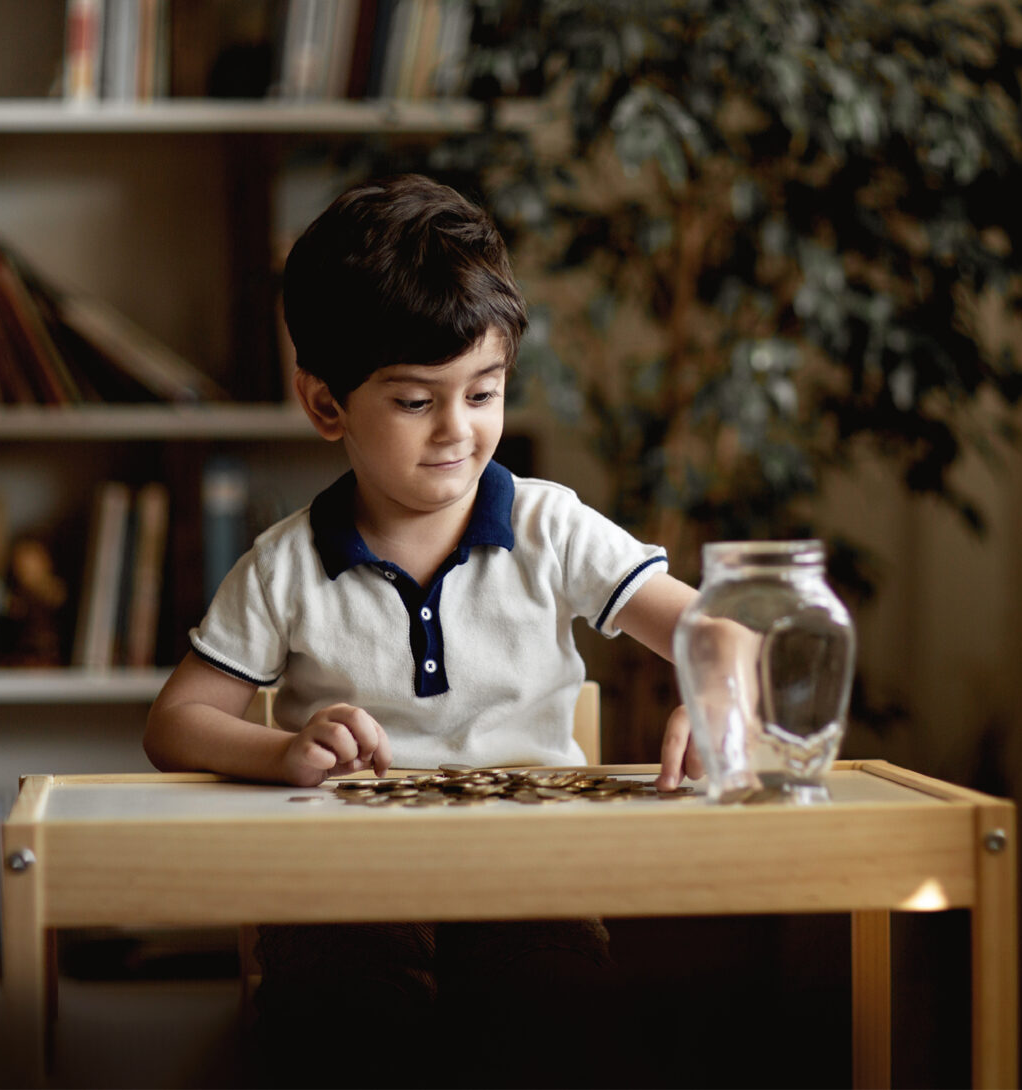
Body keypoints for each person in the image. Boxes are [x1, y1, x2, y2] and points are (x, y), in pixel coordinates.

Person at [142, 173, 702, 1086]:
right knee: (343, 1024)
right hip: (343, 891)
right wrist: (281, 750)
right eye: (415, 402)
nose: (458, 430)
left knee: (556, 1017)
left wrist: (717, 697)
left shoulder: (550, 527)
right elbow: (176, 723)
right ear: (326, 406)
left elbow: (720, 633)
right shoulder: (285, 565)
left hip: (530, 882)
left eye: (483, 394)